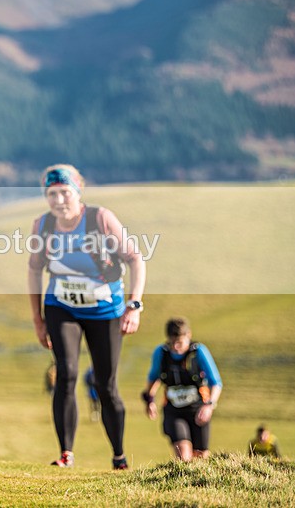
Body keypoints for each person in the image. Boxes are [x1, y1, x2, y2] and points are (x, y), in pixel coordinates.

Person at [28, 164, 146, 470]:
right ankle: (66, 453)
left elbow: (135, 259)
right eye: (51, 194)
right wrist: (38, 319)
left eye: (64, 192)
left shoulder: (100, 219)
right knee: (65, 375)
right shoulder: (42, 225)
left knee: (106, 385)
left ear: (78, 192)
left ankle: (118, 455)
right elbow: (34, 270)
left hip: (105, 309)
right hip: (61, 306)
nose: (58, 200)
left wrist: (134, 305)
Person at [142, 317, 223, 462]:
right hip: (174, 411)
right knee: (184, 455)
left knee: (201, 457)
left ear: (188, 335)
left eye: (179, 342)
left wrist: (209, 405)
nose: (176, 347)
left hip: (198, 409)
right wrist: (149, 400)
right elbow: (154, 378)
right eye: (172, 342)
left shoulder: (198, 352)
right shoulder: (161, 353)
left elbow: (216, 382)